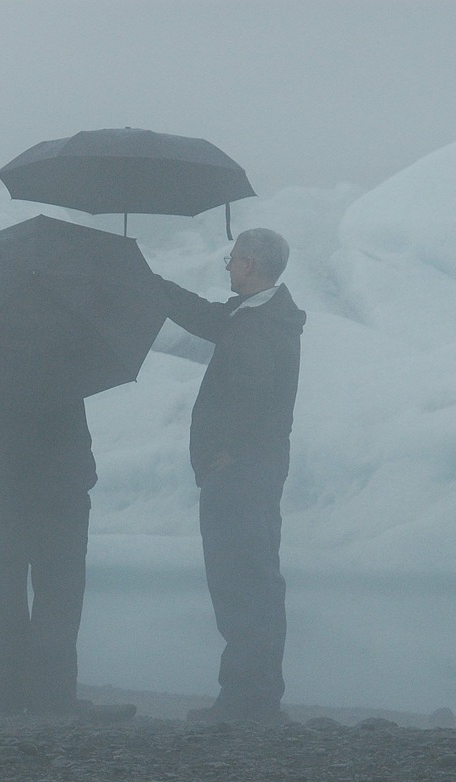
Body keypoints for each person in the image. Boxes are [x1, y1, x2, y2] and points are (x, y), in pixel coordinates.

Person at [154, 228, 306, 723]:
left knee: (241, 580)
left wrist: (226, 455)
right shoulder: (259, 316)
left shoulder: (260, 324)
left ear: (250, 264)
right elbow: (208, 317)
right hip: (251, 471)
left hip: (241, 475)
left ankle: (247, 699)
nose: (228, 266)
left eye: (233, 259)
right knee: (253, 579)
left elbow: (251, 395)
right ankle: (253, 694)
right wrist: (151, 285)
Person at [0, 391, 136, 723]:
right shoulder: (63, 354)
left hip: (5, 487)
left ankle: (3, 694)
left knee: (2, 588)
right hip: (58, 489)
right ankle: (51, 694)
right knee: (58, 591)